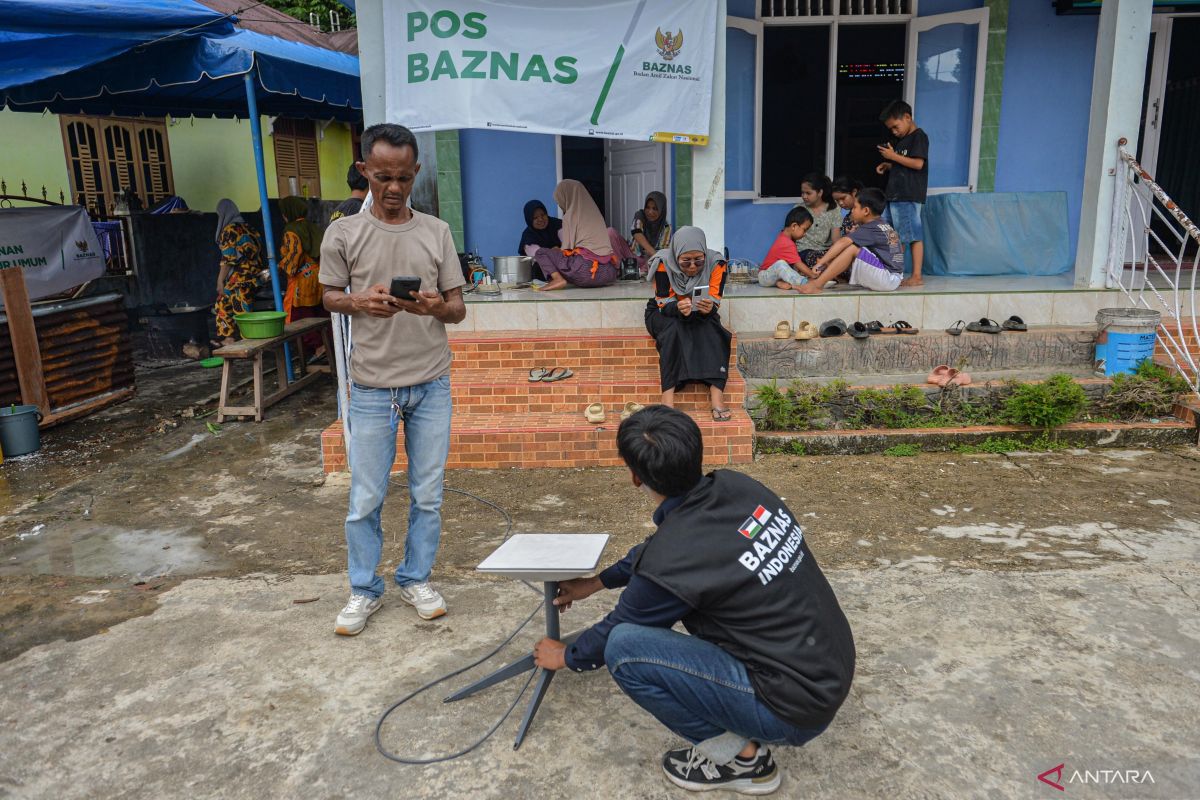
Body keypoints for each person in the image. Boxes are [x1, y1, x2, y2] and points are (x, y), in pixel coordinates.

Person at [532, 406, 855, 796]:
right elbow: (657, 553)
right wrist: (597, 582)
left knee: (626, 650)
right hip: (828, 670)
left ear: (635, 477)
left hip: (791, 709)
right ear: (695, 453)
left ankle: (744, 760)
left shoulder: (673, 556)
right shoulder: (737, 487)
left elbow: (618, 627)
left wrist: (567, 656)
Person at [319, 123, 467, 636]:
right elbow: (329, 297)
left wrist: (433, 307)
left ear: (416, 173)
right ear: (365, 171)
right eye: (383, 176)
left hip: (431, 384)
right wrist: (360, 301)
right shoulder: (343, 232)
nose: (394, 188)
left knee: (428, 494)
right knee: (366, 497)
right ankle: (363, 590)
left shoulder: (436, 232)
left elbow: (458, 309)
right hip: (372, 386)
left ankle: (416, 578)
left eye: (403, 177)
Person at [645, 227, 733, 421]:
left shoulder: (717, 263)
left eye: (698, 260)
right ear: (676, 255)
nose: (693, 266)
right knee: (674, 330)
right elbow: (663, 302)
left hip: (699, 310)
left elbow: (715, 301)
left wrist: (708, 307)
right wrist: (677, 307)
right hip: (664, 311)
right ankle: (667, 400)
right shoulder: (663, 263)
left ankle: (716, 394)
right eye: (685, 261)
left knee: (715, 330)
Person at [799, 188, 903, 295]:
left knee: (852, 249)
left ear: (866, 211)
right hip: (894, 278)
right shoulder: (882, 225)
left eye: (855, 207)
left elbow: (842, 242)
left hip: (887, 278)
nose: (852, 211)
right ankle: (827, 275)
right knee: (850, 249)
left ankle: (817, 285)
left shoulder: (870, 227)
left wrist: (820, 262)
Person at [876, 99, 929, 287]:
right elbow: (903, 164)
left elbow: (917, 163)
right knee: (891, 236)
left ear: (907, 117)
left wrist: (893, 156)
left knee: (912, 235)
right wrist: (889, 164)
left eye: (896, 127)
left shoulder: (918, 137)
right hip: (894, 196)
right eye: (891, 129)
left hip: (907, 195)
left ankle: (916, 275)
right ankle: (893, 271)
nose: (894, 132)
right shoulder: (902, 141)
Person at [531, 179, 618, 291]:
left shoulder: (570, 216)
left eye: (560, 202)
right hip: (608, 274)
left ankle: (557, 279)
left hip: (585, 273)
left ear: (566, 197)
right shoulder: (597, 214)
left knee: (541, 253)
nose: (561, 206)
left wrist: (555, 253)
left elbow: (567, 250)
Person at [278, 196, 329, 351]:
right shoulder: (313, 227)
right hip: (320, 275)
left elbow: (295, 253)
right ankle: (329, 345)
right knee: (321, 312)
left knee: (299, 318)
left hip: (303, 281)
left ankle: (318, 346)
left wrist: (281, 266)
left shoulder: (291, 229)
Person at [212, 199, 264, 346]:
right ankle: (228, 338)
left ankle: (249, 340)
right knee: (222, 302)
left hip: (241, 278)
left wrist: (220, 281)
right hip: (256, 275)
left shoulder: (229, 230)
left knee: (239, 306)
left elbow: (228, 259)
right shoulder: (250, 228)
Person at [610, 191, 672, 276]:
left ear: (661, 210)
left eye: (655, 209)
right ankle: (620, 268)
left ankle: (637, 271)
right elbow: (636, 232)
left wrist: (654, 257)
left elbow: (661, 253)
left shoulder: (666, 227)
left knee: (661, 260)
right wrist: (654, 253)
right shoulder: (640, 215)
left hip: (647, 260)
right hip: (630, 254)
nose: (650, 212)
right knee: (610, 232)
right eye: (648, 207)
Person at [757, 206, 814, 291]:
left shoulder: (784, 238)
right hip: (764, 277)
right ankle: (803, 283)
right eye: (804, 230)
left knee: (787, 266)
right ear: (794, 226)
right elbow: (798, 263)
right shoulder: (786, 243)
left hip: (772, 277)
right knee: (781, 264)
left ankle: (779, 283)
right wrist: (813, 275)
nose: (805, 234)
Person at [793, 173, 842, 267]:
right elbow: (790, 236)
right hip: (804, 252)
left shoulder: (833, 209)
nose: (804, 196)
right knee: (815, 259)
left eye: (808, 193)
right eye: (802, 192)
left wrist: (838, 255)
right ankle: (829, 271)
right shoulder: (798, 209)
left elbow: (836, 239)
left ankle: (828, 270)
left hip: (826, 253)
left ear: (820, 192)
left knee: (843, 260)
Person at [517, 199, 563, 281]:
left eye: (543, 215)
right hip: (542, 274)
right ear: (529, 220)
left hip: (564, 264)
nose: (541, 219)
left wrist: (562, 251)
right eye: (535, 218)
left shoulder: (557, 225)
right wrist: (554, 251)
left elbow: (569, 244)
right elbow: (538, 256)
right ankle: (557, 280)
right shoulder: (528, 236)